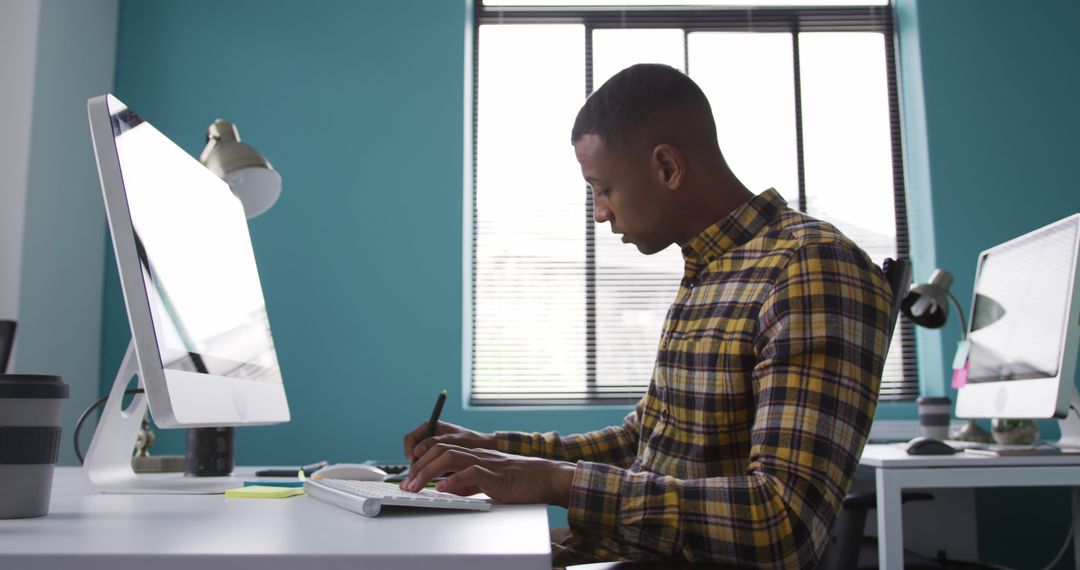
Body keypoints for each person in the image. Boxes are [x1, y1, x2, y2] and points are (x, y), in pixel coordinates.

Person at [401, 63, 892, 568]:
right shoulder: (712, 269)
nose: (599, 212)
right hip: (610, 551)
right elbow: (643, 442)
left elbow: (784, 521)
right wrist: (493, 450)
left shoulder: (808, 268)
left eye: (603, 188)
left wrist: (554, 481)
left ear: (667, 168)